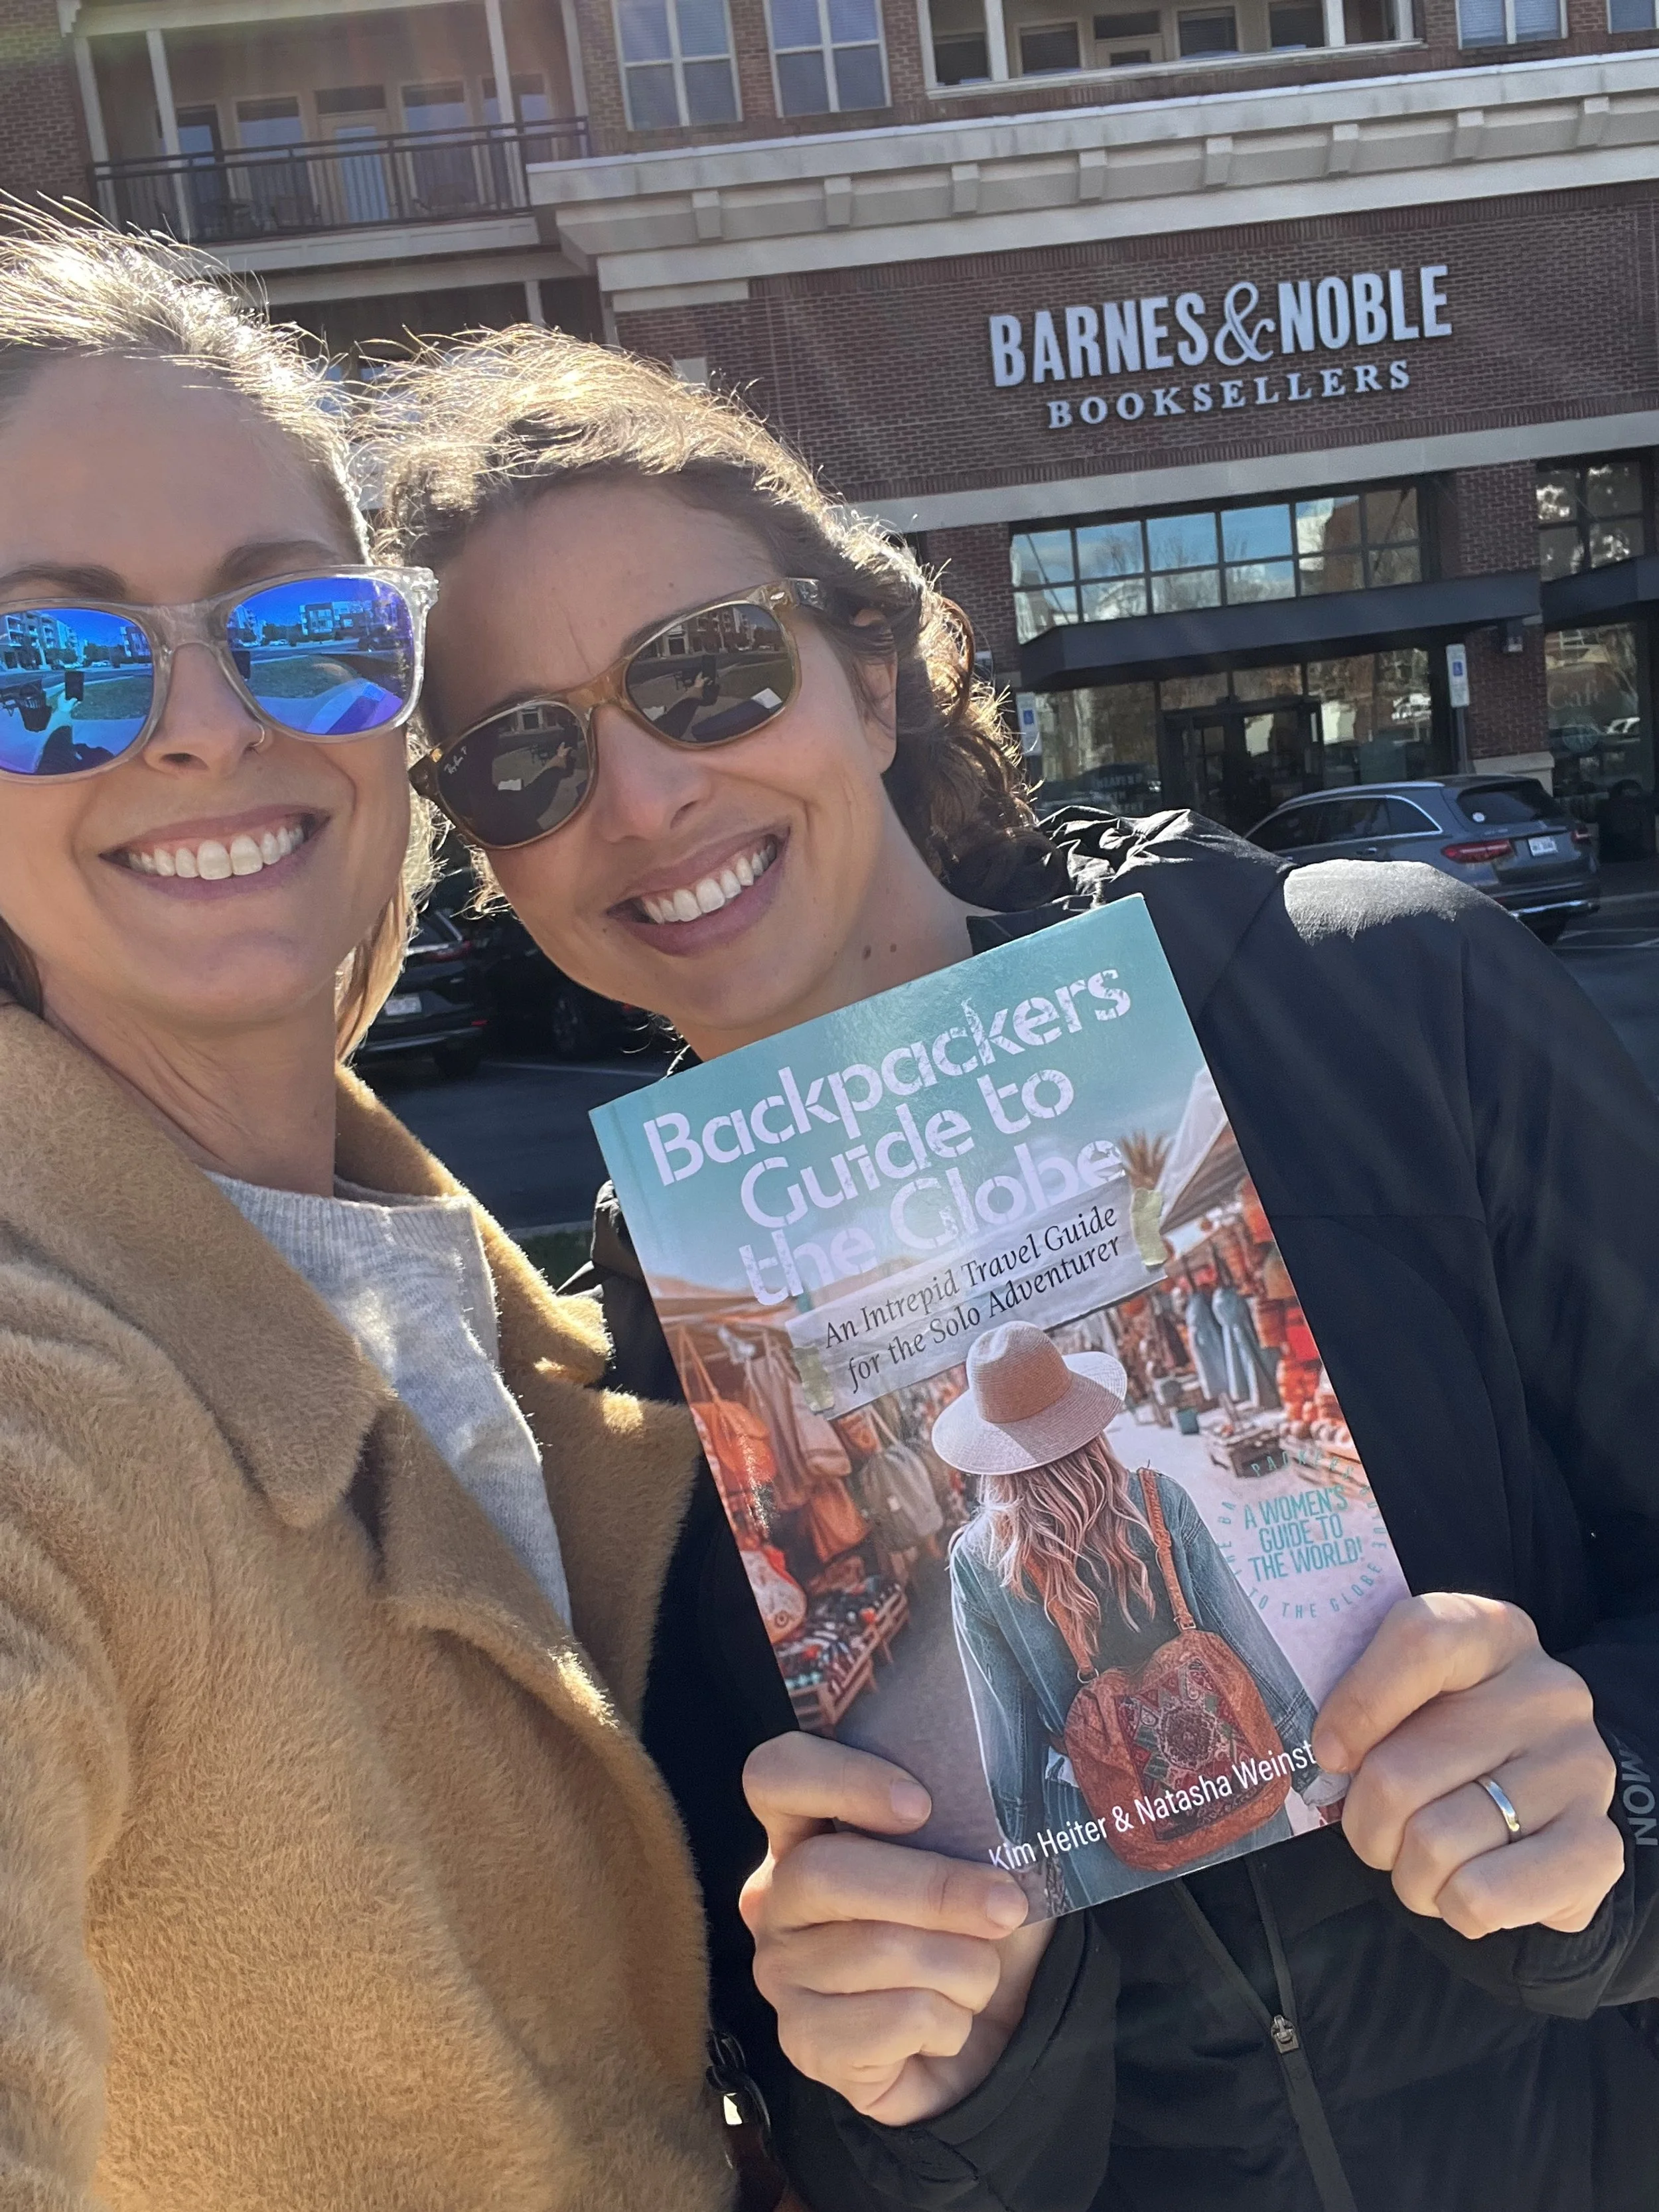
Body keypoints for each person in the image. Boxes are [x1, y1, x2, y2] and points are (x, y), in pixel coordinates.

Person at [378, 326, 1659, 2212]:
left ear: (872, 670)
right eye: (524, 757)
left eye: (706, 673)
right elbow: (857, 2130)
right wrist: (928, 2071)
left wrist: (1613, 1794)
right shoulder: (640, 1375)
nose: (641, 795)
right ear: (488, 854)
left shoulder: (1378, 995)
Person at [0, 224, 729, 2209]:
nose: (207, 726)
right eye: (51, 668)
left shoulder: (480, 1305)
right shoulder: (40, 1397)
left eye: (297, 627)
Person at [936, 1322, 1325, 1907]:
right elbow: (1245, 1640)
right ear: (1081, 1415)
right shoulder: (1155, 1499)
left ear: (990, 1448)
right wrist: (1314, 1773)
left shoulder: (981, 1560)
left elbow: (1006, 1725)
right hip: (1234, 1783)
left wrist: (1029, 1842)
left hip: (1106, 1826)